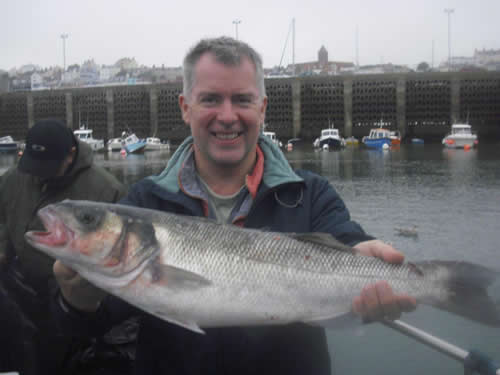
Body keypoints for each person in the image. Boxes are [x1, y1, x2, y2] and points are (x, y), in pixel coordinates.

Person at [52, 37, 416, 375]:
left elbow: (347, 241)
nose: (227, 116)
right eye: (210, 99)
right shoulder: (145, 201)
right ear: (185, 107)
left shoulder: (309, 194)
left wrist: (370, 263)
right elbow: (91, 326)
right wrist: (77, 299)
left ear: (261, 109)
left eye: (242, 100)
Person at [0, 119, 135, 375]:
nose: (38, 172)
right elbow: (1, 218)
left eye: (47, 166)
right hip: (22, 294)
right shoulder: (13, 179)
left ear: (71, 154)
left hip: (71, 301)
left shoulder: (108, 190)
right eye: (33, 165)